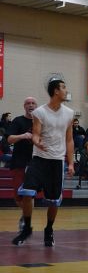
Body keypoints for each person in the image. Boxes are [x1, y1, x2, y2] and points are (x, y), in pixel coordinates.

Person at [11, 76, 74, 246]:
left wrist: (71, 163)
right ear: (56, 91)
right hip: (39, 159)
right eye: (64, 87)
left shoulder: (69, 113)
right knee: (26, 192)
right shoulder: (40, 112)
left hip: (56, 161)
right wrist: (36, 141)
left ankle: (49, 229)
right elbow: (36, 133)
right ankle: (27, 228)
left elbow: (69, 140)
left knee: (54, 201)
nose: (66, 90)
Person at [6, 97, 38, 231]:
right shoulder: (17, 121)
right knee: (18, 196)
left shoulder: (41, 122)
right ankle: (25, 215)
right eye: (28, 103)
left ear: (36, 106)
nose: (30, 105)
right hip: (19, 162)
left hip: (35, 163)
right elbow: (9, 139)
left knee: (30, 194)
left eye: (33, 103)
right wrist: (22, 136)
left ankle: (26, 220)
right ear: (24, 106)